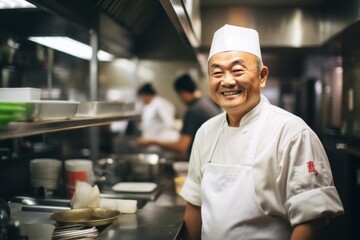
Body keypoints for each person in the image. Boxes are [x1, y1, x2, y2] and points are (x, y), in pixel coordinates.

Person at [180, 24, 344, 240]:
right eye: (217, 73)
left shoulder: (292, 132)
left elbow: (311, 220)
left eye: (238, 71)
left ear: (262, 76)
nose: (227, 81)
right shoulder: (205, 132)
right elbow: (194, 205)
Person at [138, 74, 222, 158]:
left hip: (207, 159)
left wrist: (152, 141)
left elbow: (182, 147)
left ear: (182, 92)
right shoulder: (207, 102)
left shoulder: (193, 110)